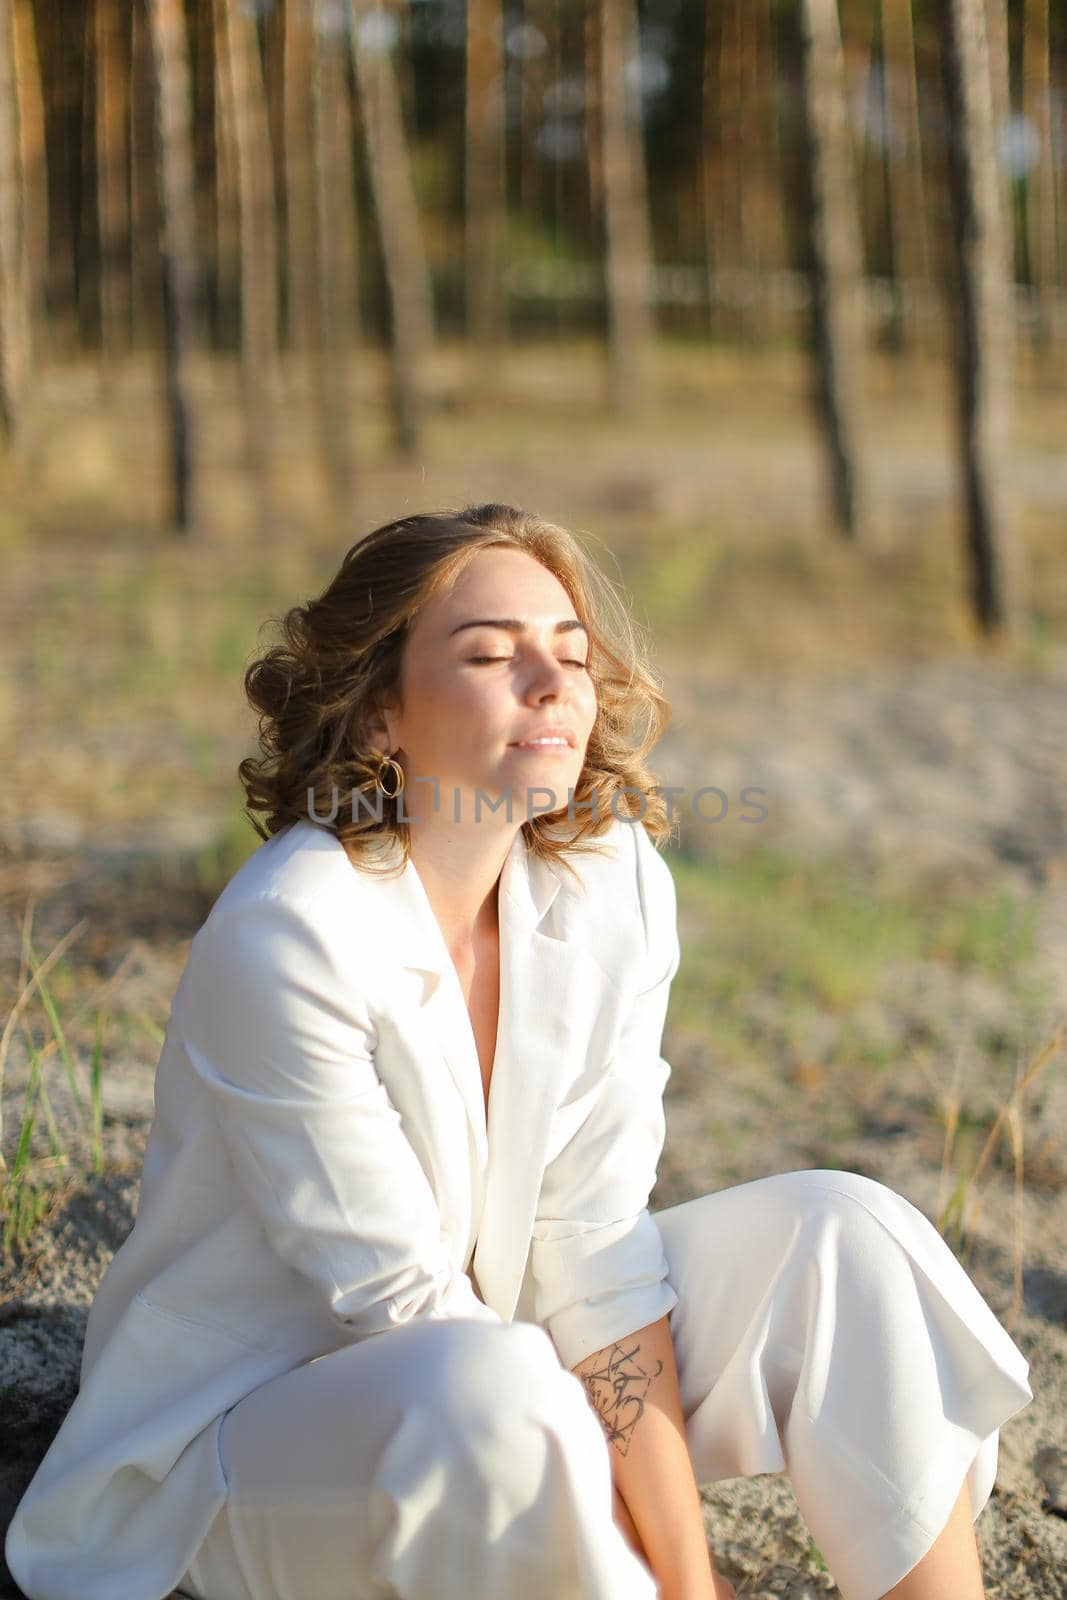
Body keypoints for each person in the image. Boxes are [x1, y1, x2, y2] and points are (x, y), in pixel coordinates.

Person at [5, 504, 1033, 1600]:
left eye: (570, 653)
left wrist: (691, 1575)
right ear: (379, 715)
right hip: (257, 1453)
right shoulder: (291, 933)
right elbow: (405, 1308)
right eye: (491, 653)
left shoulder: (608, 878)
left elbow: (591, 1244)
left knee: (844, 1236)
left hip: (500, 1366)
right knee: (494, 1387)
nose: (550, 682)